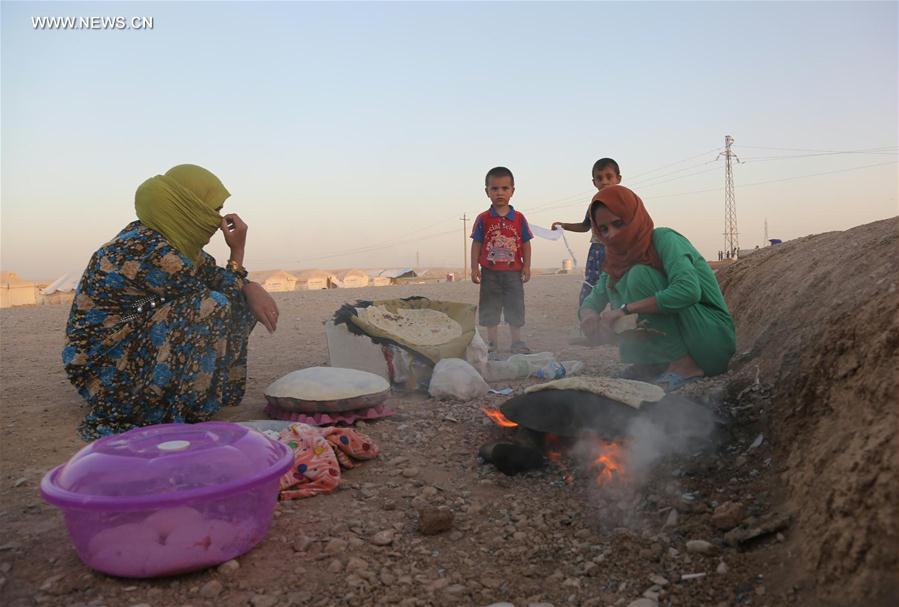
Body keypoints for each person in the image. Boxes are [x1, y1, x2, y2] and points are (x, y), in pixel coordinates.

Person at [62, 164, 279, 440]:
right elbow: (208, 294)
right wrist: (238, 255)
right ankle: (159, 407)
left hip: (134, 324)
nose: (218, 220)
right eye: (214, 210)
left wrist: (247, 285)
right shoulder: (145, 246)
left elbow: (221, 281)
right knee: (208, 306)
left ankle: (195, 397)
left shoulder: (176, 245)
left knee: (232, 299)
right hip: (103, 359)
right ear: (187, 206)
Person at [579, 185, 735, 390]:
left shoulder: (664, 239)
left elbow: (688, 291)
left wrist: (625, 309)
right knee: (616, 282)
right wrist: (589, 316)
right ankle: (648, 365)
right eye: (604, 229)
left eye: (618, 223)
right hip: (666, 354)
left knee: (638, 276)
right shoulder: (615, 258)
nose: (612, 234)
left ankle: (685, 365)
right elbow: (593, 299)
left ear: (633, 216)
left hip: (707, 340)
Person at [470, 166, 533, 356]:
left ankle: (517, 342)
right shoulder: (483, 218)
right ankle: (491, 343)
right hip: (490, 272)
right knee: (490, 306)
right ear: (487, 191)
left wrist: (527, 266)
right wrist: (474, 268)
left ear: (512, 190)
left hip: (513, 272)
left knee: (515, 305)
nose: (500, 193)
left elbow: (526, 243)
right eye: (494, 189)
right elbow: (477, 244)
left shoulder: (519, 218)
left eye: (505, 188)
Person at [553, 158, 622, 305]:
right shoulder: (594, 205)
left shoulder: (625, 203)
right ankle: (588, 321)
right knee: (590, 289)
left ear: (618, 179)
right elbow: (585, 226)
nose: (604, 181)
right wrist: (564, 225)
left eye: (609, 177)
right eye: (599, 178)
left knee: (618, 287)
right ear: (594, 182)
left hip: (618, 251)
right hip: (597, 252)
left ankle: (616, 323)